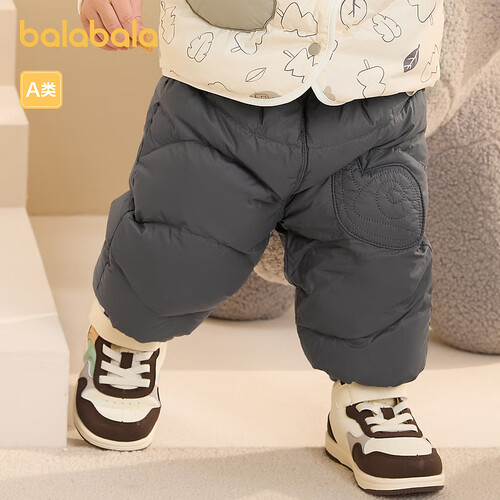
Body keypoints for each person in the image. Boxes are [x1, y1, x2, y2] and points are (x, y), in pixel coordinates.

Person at [74, 0, 446, 495]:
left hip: (376, 78)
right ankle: (125, 338)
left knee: (377, 251)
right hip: (225, 78)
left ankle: (370, 394)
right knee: (181, 237)